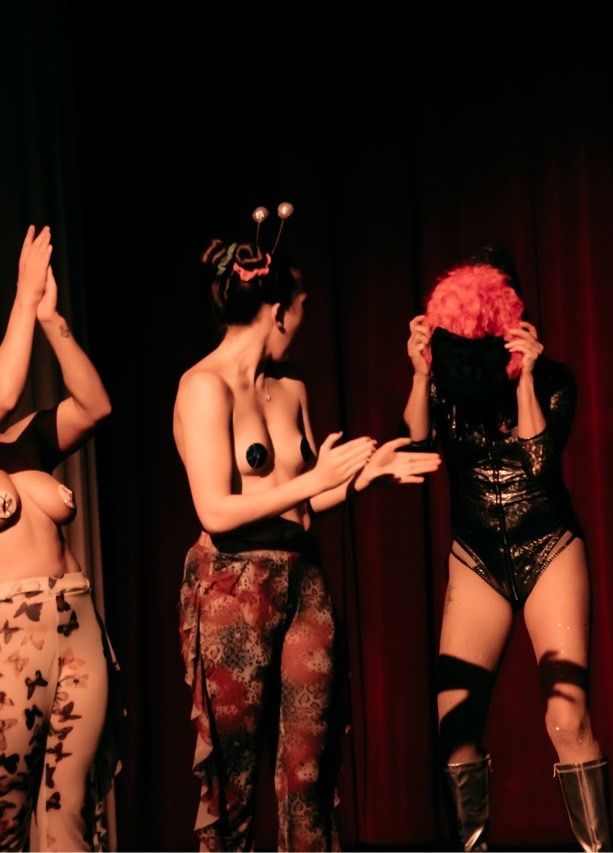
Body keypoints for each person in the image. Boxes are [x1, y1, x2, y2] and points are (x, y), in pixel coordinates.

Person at [172, 205, 440, 850]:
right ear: (278, 310)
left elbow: (302, 500)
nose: (302, 320)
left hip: (303, 585)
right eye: (300, 306)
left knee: (309, 775)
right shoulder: (202, 387)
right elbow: (215, 509)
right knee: (232, 783)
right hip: (234, 589)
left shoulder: (289, 389)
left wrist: (362, 475)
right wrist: (315, 481)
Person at [403, 247, 612, 852]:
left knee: (567, 718)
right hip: (477, 558)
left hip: (548, 544)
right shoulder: (446, 385)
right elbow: (415, 449)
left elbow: (540, 462)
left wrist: (523, 376)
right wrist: (420, 372)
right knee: (456, 723)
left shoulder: (555, 381)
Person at [0, 225, 118, 850]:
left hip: (75, 627)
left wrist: (50, 320)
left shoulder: (20, 439)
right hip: (6, 647)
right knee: (7, 821)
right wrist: (21, 295)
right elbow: (5, 389)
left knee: (67, 811)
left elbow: (95, 406)